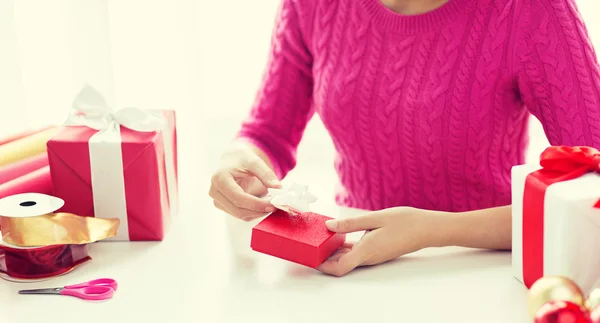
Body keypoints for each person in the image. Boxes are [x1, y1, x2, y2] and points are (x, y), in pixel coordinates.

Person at [209, 0, 600, 276]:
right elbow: (267, 134)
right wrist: (240, 162)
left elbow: (593, 192)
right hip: (352, 270)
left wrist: (434, 230)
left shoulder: (531, 9)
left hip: (483, 274)